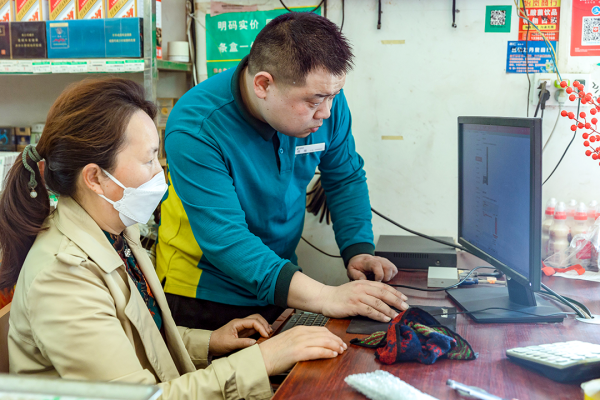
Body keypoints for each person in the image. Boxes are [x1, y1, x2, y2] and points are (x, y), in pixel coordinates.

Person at [0, 78, 347, 400]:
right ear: (95, 178)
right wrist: (264, 359)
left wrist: (209, 342)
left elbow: (136, 335)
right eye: (149, 159)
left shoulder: (116, 232)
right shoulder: (63, 277)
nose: (160, 172)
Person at [157, 11, 408, 331]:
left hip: (283, 279)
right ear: (263, 85)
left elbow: (344, 177)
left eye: (333, 96)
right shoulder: (197, 126)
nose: (327, 112)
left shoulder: (325, 100)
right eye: (315, 101)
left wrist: (358, 249)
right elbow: (225, 239)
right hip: (207, 291)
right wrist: (326, 296)